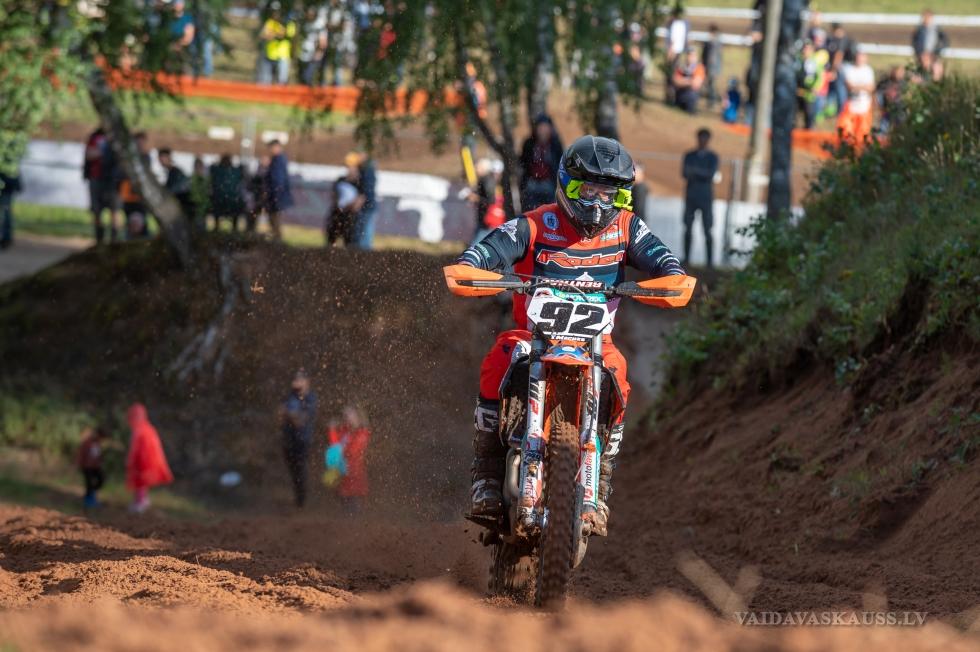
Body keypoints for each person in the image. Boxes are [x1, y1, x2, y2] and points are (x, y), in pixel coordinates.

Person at [457, 135, 685, 535]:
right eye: (588, 191)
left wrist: (673, 276)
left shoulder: (627, 228)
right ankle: (487, 476)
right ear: (566, 185)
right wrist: (472, 262)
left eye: (610, 195)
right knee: (499, 358)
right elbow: (493, 246)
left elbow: (662, 258)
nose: (598, 204)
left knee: (619, 371)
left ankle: (600, 483)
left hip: (595, 344)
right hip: (532, 336)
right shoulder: (537, 223)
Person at [125, 403, 173, 513]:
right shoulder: (147, 428)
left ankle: (141, 501)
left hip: (144, 460)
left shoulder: (141, 430)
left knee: (141, 481)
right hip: (146, 460)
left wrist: (131, 459)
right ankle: (141, 500)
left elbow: (137, 448)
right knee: (141, 482)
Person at [681, 128, 719, 268]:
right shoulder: (689, 155)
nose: (702, 141)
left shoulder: (713, 157)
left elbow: (710, 174)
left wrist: (695, 171)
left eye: (705, 138)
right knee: (688, 228)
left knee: (707, 229)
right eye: (700, 138)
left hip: (705, 198)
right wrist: (701, 173)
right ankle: (686, 259)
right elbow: (685, 173)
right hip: (691, 197)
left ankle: (709, 262)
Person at [280, 369, 317, 508]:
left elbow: (300, 420)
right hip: (289, 439)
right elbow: (279, 415)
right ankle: (298, 498)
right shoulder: (290, 396)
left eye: (300, 380)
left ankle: (302, 500)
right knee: (293, 470)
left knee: (300, 469)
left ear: (307, 382)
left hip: (303, 440)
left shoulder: (311, 398)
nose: (297, 383)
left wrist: (289, 414)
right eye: (295, 380)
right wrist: (290, 415)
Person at [327, 406, 371, 515]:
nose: (346, 418)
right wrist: (332, 431)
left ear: (358, 417)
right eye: (345, 415)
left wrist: (338, 448)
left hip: (354, 474)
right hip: (342, 472)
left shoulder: (363, 433)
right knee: (343, 503)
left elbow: (351, 452)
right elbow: (334, 446)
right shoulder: (344, 431)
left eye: (349, 415)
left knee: (354, 505)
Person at [83, 127, 122, 244]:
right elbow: (89, 154)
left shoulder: (120, 136)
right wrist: (105, 150)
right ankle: (99, 241)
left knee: (115, 210)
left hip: (113, 180)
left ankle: (114, 241)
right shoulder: (95, 137)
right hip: (96, 178)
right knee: (96, 211)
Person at [518, 114, 563, 212]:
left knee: (550, 210)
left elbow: (559, 164)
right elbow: (523, 163)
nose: (543, 131)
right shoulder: (529, 144)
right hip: (532, 183)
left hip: (549, 183)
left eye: (545, 128)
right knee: (530, 210)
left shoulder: (555, 144)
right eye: (540, 128)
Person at [837, 50, 875, 147]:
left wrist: (857, 87)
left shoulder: (868, 70)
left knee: (863, 131)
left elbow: (871, 87)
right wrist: (863, 87)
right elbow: (849, 86)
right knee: (846, 129)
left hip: (864, 105)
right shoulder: (848, 69)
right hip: (851, 105)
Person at [325, 153, 364, 246]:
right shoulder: (340, 180)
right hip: (337, 213)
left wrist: (347, 207)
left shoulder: (360, 182)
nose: (349, 168)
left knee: (349, 242)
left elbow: (359, 202)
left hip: (350, 216)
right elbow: (334, 196)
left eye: (351, 166)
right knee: (331, 240)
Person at [119, 132, 152, 240]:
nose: (140, 145)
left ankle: (144, 242)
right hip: (128, 196)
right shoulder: (128, 156)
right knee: (130, 223)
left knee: (142, 223)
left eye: (142, 142)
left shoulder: (146, 157)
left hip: (141, 197)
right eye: (138, 142)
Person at [259, 4, 297, 85]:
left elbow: (284, 35)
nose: (275, 14)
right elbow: (263, 35)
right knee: (266, 80)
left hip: (283, 56)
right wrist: (275, 34)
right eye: (273, 11)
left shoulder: (288, 23)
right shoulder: (270, 22)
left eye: (277, 12)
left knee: (281, 80)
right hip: (270, 55)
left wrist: (272, 34)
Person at [826, 23, 856, 117]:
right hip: (845, 68)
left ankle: (841, 112)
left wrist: (833, 70)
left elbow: (839, 55)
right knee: (837, 89)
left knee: (840, 89)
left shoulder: (841, 41)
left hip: (841, 68)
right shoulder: (846, 39)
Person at [264, 140, 293, 240]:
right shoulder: (279, 159)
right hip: (277, 195)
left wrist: (274, 195)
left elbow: (277, 180)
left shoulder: (278, 160)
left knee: (275, 220)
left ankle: (277, 242)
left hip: (276, 195)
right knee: (274, 220)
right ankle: (276, 241)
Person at [209, 154, 246, 232]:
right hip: (232, 200)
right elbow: (241, 173)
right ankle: (234, 228)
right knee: (237, 208)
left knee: (216, 207)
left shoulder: (216, 170)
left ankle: (216, 227)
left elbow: (211, 169)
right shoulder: (235, 171)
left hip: (219, 200)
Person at [158, 148, 194, 222]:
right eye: (160, 158)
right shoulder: (170, 172)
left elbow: (176, 189)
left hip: (184, 206)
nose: (161, 161)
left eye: (163, 158)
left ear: (169, 158)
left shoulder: (175, 172)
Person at [77, 426, 108, 509]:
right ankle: (89, 500)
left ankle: (91, 494)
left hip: (96, 466)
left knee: (101, 479)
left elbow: (98, 455)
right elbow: (81, 453)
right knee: (89, 483)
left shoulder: (98, 444)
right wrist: (80, 464)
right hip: (87, 466)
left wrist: (101, 461)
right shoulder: (87, 442)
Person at [352, 152, 377, 250]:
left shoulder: (367, 171)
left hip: (367, 205)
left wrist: (358, 203)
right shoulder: (367, 170)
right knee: (364, 229)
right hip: (367, 204)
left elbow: (366, 190)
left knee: (364, 230)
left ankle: (364, 251)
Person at [299, 6, 328, 86]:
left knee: (309, 77)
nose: (309, 16)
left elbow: (323, 41)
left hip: (314, 55)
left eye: (311, 14)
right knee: (302, 77)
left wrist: (319, 52)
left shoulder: (319, 24)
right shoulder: (305, 24)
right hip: (304, 54)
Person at [672, 47, 706, 115]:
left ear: (696, 57)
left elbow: (696, 84)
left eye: (693, 55)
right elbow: (675, 81)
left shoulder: (699, 67)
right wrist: (689, 81)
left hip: (691, 98)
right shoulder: (681, 67)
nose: (690, 57)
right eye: (689, 55)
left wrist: (682, 81)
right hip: (679, 96)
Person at [877, 66, 907, 134]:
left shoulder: (904, 84)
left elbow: (907, 96)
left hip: (899, 111)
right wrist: (880, 108)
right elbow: (878, 95)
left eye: (902, 72)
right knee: (883, 129)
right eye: (898, 72)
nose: (900, 74)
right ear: (893, 72)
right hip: (887, 109)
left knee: (899, 129)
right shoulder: (885, 83)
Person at [701, 24, 723, 109]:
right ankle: (711, 100)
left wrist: (708, 68)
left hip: (712, 68)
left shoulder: (713, 43)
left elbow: (712, 58)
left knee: (711, 85)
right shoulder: (716, 42)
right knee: (710, 84)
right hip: (713, 68)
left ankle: (712, 101)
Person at [0, 169, 21, 250]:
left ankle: (6, 239)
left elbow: (14, 169)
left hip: (7, 187)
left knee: (6, 213)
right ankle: (6, 238)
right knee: (6, 213)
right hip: (7, 186)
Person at [190, 157, 209, 232]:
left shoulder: (204, 179)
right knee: (198, 222)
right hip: (196, 205)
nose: (199, 169)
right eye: (197, 167)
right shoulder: (194, 179)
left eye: (200, 167)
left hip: (201, 206)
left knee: (200, 221)